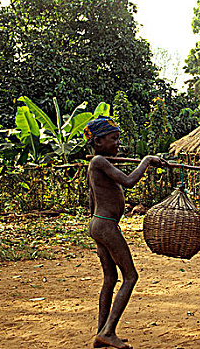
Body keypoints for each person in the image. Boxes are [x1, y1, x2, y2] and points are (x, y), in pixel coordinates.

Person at [84, 116, 167, 349]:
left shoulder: (100, 163)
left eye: (118, 138)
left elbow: (92, 200)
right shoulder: (99, 161)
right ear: (98, 142)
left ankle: (102, 333)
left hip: (99, 224)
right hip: (105, 226)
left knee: (110, 278)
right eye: (113, 139)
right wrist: (147, 160)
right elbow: (129, 181)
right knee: (130, 277)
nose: (118, 143)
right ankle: (108, 331)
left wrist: (97, 228)